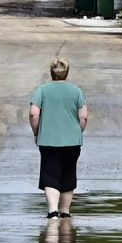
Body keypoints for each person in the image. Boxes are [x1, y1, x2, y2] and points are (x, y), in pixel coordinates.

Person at [29, 57, 89, 219]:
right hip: (73, 141)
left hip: (48, 140)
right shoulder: (76, 91)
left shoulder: (42, 90)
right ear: (66, 73)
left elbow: (34, 113)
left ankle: (52, 212)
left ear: (51, 72)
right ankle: (65, 212)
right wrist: (78, 131)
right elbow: (83, 117)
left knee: (50, 174)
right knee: (68, 174)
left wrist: (36, 132)